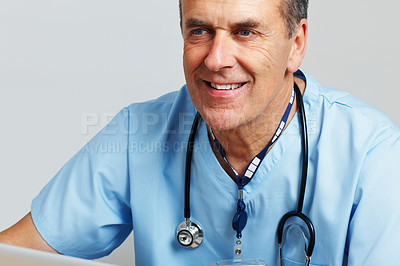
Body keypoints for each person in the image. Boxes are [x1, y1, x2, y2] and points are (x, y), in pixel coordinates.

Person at [1, 0, 400, 265]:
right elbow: (14, 254)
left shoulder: (371, 154)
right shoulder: (137, 135)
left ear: (295, 44)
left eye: (245, 32)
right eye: (199, 31)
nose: (216, 59)